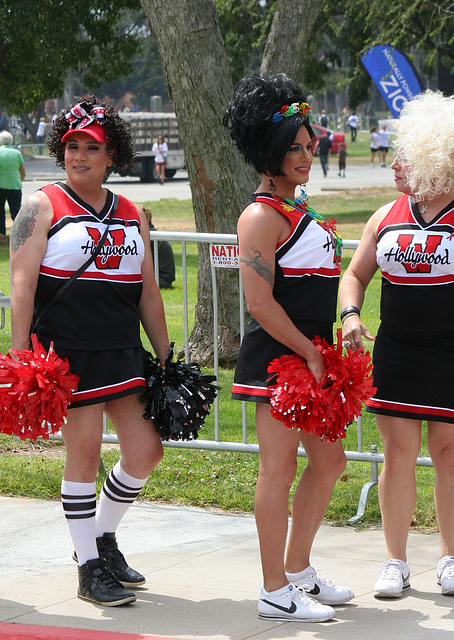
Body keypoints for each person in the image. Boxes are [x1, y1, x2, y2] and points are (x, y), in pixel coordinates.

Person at [10, 96, 170, 607]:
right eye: (71, 146)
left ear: (111, 155)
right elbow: (21, 283)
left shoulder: (133, 214)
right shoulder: (41, 205)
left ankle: (100, 538)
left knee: (145, 450)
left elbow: (147, 290)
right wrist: (19, 357)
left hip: (121, 350)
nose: (79, 155)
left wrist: (165, 355)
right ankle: (89, 570)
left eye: (91, 147)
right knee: (82, 457)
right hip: (67, 354)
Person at [223, 72, 353, 623]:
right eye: (294, 148)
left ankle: (298, 571)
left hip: (312, 356)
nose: (306, 154)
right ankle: (274, 590)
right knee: (276, 471)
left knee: (330, 462)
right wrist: (308, 350)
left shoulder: (301, 209)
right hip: (279, 359)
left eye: (308, 145)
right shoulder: (259, 216)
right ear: (269, 153)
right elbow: (259, 302)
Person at [339, 90, 454, 600]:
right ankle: (396, 561)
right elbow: (355, 274)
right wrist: (350, 314)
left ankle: (450, 559)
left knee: (449, 456)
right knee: (398, 453)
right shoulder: (384, 215)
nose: (394, 164)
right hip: (398, 351)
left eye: (405, 156)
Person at [0, 131, 25, 235]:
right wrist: (19, 179)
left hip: (0, 186)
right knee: (16, 212)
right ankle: (19, 233)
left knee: (0, 212)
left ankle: (2, 234)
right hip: (15, 186)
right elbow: (22, 171)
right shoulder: (17, 153)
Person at [140, 205, 176, 289]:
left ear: (147, 219)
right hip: (162, 278)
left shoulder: (151, 237)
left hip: (161, 280)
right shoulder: (153, 235)